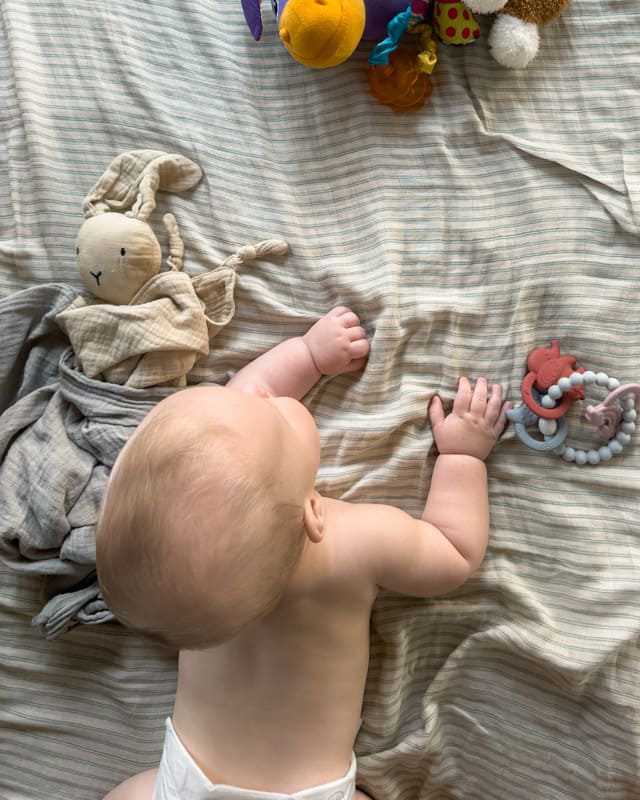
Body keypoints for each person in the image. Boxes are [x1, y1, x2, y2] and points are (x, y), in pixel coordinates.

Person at [96, 305, 509, 800]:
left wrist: (308, 355)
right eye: (277, 419)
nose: (259, 396)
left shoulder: (189, 572)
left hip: (187, 787)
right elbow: (453, 551)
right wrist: (462, 457)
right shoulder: (351, 542)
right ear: (312, 513)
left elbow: (242, 410)